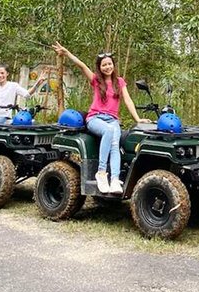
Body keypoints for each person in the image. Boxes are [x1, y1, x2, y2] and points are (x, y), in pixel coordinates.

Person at [52, 42, 150, 194]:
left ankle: (115, 179)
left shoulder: (120, 82)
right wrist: (67, 53)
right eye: (104, 65)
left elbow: (128, 100)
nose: (107, 67)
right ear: (100, 67)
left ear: (113, 65)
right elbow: (82, 65)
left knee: (115, 144)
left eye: (109, 64)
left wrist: (138, 119)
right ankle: (101, 172)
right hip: (95, 118)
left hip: (112, 119)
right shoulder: (96, 80)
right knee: (109, 131)